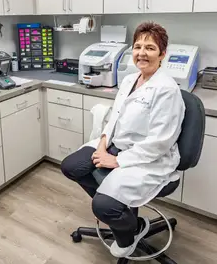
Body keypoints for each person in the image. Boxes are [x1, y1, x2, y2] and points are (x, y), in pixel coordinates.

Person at [61, 21, 186, 258]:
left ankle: (128, 232)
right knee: (71, 167)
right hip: (114, 144)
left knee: (102, 206)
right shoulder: (130, 80)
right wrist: (102, 144)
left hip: (148, 157)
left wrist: (116, 161)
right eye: (138, 46)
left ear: (162, 54)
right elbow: (114, 117)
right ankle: (123, 214)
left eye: (150, 48)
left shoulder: (166, 90)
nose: (142, 53)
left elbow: (160, 142)